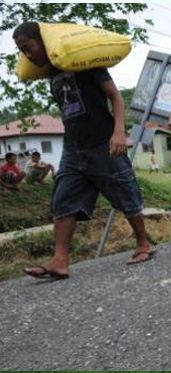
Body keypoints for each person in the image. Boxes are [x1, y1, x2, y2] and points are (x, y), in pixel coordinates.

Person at [14, 21, 154, 279]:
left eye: (28, 47)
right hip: (73, 148)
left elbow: (115, 96)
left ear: (43, 40)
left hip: (103, 142)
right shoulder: (52, 74)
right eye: (22, 52)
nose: (27, 55)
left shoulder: (83, 61)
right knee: (63, 200)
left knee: (124, 191)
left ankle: (143, 242)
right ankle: (60, 260)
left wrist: (119, 131)